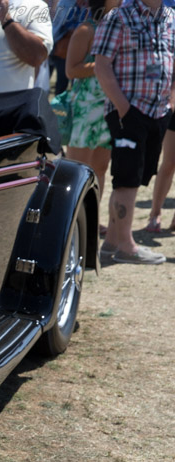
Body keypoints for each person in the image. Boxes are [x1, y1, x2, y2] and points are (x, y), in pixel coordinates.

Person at [94, 0, 175, 264]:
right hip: (129, 111)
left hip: (159, 111)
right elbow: (102, 65)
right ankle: (128, 246)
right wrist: (123, 108)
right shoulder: (118, 17)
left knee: (137, 176)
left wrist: (171, 103)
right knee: (127, 177)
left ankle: (112, 243)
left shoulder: (171, 17)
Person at [64, 0, 118, 238]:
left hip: (108, 107)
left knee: (101, 168)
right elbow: (71, 70)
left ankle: (91, 221)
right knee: (78, 169)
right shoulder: (86, 30)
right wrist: (104, 65)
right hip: (86, 109)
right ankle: (70, 221)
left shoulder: (117, 28)